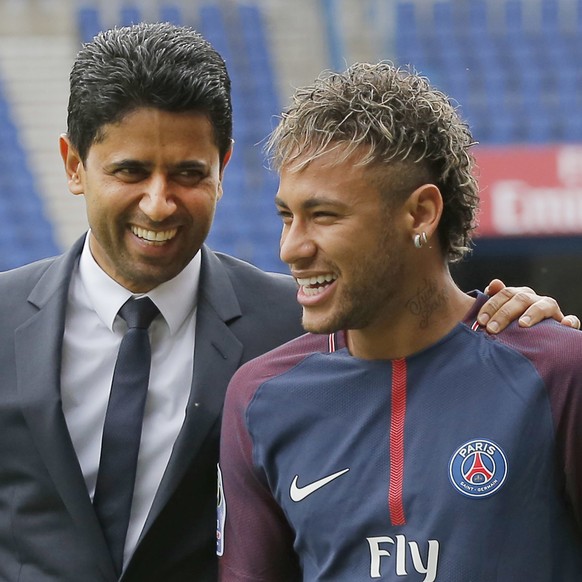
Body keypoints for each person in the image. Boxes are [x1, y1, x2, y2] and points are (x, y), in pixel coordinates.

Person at [218, 62, 582, 581]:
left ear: (420, 214)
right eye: (286, 216)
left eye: (324, 215)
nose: (292, 248)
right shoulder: (258, 400)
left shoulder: (559, 374)